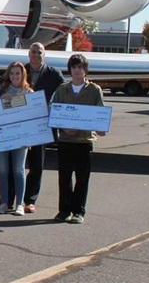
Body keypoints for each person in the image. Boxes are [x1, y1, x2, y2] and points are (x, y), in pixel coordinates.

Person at [0, 42, 65, 213]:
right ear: (29, 54)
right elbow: (0, 81)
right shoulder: (21, 69)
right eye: (34, 52)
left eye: (40, 52)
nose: (36, 55)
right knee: (11, 166)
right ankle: (7, 200)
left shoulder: (53, 74)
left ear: (44, 54)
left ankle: (29, 200)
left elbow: (64, 91)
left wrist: (61, 115)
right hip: (12, 131)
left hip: (39, 126)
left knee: (35, 164)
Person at [51, 54, 105, 225]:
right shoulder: (62, 90)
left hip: (84, 141)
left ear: (85, 70)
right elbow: (54, 113)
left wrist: (100, 128)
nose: (76, 70)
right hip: (66, 141)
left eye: (80, 67)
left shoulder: (94, 90)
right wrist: (63, 127)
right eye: (74, 67)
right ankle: (64, 210)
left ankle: (78, 211)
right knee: (64, 177)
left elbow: (99, 114)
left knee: (82, 178)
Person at [0, 61, 34, 216]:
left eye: (17, 73)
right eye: (12, 73)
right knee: (2, 170)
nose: (15, 76)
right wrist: (3, 102)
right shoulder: (1, 90)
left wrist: (30, 138)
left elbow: (32, 116)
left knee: (18, 170)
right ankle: (3, 202)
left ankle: (19, 204)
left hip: (20, 137)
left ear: (22, 74)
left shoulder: (28, 92)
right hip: (2, 136)